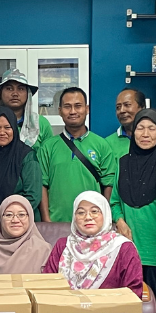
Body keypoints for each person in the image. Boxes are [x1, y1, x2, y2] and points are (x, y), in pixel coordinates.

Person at [111, 108, 156, 306]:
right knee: (130, 308)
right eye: (140, 128)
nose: (145, 134)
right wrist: (119, 221)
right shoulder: (123, 163)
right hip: (130, 250)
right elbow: (114, 201)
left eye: (152, 128)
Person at [42, 191, 143, 295]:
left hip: (110, 305)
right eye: (81, 212)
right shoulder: (63, 245)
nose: (88, 217)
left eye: (94, 211)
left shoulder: (123, 247)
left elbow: (134, 292)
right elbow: (47, 285)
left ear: (105, 214)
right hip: (63, 304)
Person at [38, 87, 115, 222]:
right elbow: (42, 185)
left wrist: (105, 218)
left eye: (78, 106)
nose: (73, 111)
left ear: (87, 109)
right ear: (60, 111)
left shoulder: (102, 145)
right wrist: (46, 220)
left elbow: (109, 184)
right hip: (57, 223)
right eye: (67, 106)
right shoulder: (48, 147)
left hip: (91, 223)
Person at [0, 107, 42, 223]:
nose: (2, 132)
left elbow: (33, 196)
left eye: (7, 127)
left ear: (14, 129)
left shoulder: (27, 156)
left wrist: (10, 219)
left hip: (20, 223)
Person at [0, 69, 53, 150]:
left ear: (28, 94)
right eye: (9, 88)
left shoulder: (40, 124)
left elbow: (49, 156)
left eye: (21, 89)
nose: (15, 93)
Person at [0, 195, 53, 276]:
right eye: (9, 215)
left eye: (21, 215)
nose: (15, 220)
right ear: (0, 219)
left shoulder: (43, 249)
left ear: (30, 218)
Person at [106, 87, 156, 158]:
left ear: (142, 107)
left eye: (127, 105)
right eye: (118, 107)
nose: (122, 110)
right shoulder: (108, 143)